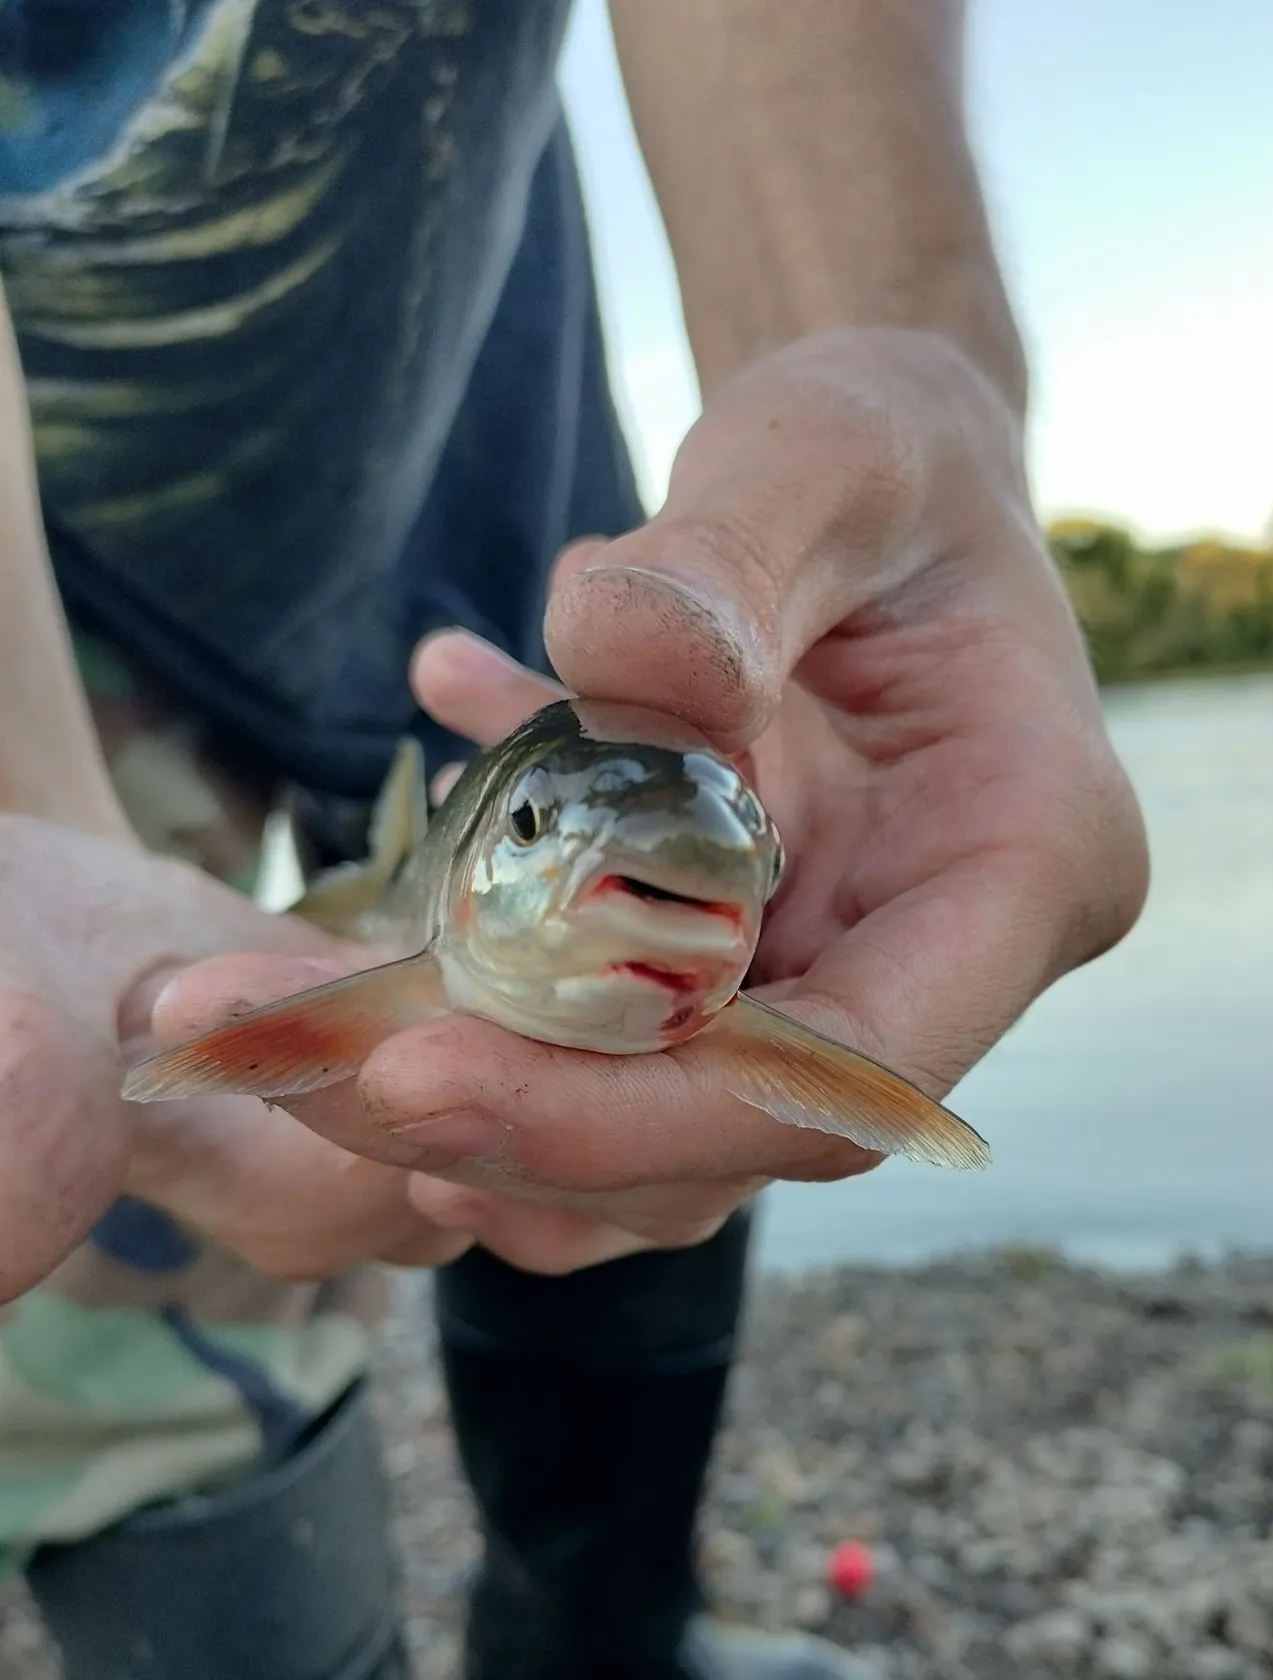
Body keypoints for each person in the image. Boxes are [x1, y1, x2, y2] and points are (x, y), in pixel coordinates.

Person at [0, 4, 1149, 1678]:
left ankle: (605, 1631)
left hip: (497, 428)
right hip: (65, 520)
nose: (704, 891)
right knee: (152, 1237)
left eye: (728, 857)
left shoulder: (702, 874)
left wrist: (915, 384)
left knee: (656, 1165)